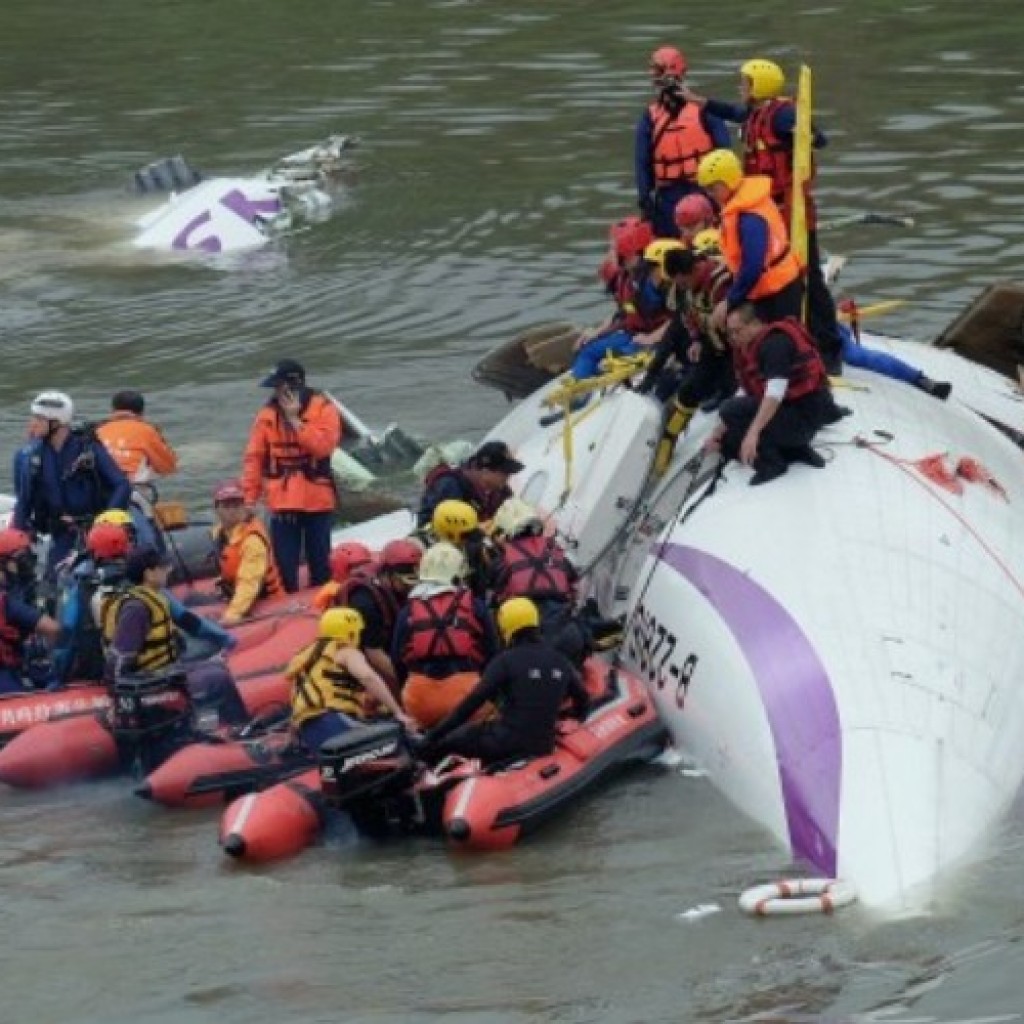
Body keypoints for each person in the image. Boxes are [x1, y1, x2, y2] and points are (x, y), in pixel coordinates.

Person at [683, 60, 843, 371]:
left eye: (746, 84)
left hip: (792, 211)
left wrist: (806, 133)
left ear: (760, 86)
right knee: (784, 276)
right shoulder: (757, 114)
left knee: (808, 276)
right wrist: (702, 103)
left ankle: (829, 346)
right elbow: (734, 113)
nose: (741, 89)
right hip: (772, 211)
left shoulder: (783, 115)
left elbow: (819, 139)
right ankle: (787, 335)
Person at [420, 597, 591, 766]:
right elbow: (583, 699)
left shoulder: (504, 661)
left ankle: (424, 771)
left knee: (453, 739)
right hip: (543, 745)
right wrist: (571, 719)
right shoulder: (560, 660)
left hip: (502, 744)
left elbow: (468, 707)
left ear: (505, 627)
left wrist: (432, 736)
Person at [105, 545, 247, 724]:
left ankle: (231, 728)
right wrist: (118, 701)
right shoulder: (137, 609)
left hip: (163, 673)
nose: (167, 571)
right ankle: (238, 727)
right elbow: (118, 660)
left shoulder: (154, 597)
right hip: (150, 683)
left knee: (217, 670)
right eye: (162, 567)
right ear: (149, 574)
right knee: (216, 678)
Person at [241, 359, 342, 592]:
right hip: (282, 502)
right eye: (274, 388)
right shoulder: (267, 415)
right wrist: (249, 499)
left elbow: (323, 447)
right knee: (285, 568)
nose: (276, 393)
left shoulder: (324, 409)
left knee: (321, 566)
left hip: (317, 499)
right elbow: (254, 458)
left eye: (280, 387)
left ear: (294, 386)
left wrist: (296, 421)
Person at [638, 236, 736, 475]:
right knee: (686, 395)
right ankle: (661, 459)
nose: (680, 287)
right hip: (711, 349)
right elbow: (687, 317)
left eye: (682, 282)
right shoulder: (685, 289)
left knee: (734, 400)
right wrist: (696, 340)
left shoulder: (720, 283)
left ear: (691, 271)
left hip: (737, 352)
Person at [708, 303, 831, 485]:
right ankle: (795, 450)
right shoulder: (752, 347)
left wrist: (753, 434)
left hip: (804, 419)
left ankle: (772, 462)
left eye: (737, 331)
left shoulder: (775, 345)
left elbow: (774, 394)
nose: (733, 338)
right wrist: (719, 430)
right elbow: (747, 389)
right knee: (729, 437)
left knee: (730, 410)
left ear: (753, 325)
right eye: (729, 334)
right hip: (792, 414)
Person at [12, 391, 131, 576]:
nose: (32, 423)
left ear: (56, 423)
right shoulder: (27, 457)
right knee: (53, 584)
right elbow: (23, 502)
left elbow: (121, 484)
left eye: (39, 418)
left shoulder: (88, 449)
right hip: (62, 533)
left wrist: (107, 521)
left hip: (95, 528)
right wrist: (14, 541)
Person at [695, 149, 805, 335]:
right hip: (768, 287)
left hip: (778, 290)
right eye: (706, 189)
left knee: (778, 345)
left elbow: (753, 265)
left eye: (712, 188)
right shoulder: (741, 205)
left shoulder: (749, 217)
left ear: (728, 183)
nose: (709, 194)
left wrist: (730, 300)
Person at [393, 542, 499, 729]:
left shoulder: (408, 610)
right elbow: (493, 653)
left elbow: (397, 658)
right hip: (467, 698)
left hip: (420, 701)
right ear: (459, 574)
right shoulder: (475, 606)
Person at [287, 607, 416, 752]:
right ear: (351, 633)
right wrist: (398, 712)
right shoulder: (347, 652)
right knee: (401, 743)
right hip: (334, 722)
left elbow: (297, 698)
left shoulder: (306, 658)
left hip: (309, 731)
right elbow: (368, 677)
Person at [636, 46, 731, 238]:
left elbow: (725, 153)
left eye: (656, 70)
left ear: (671, 70)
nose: (652, 75)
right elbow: (642, 162)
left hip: (703, 191)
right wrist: (645, 201)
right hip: (668, 195)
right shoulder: (650, 117)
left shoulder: (703, 110)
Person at [313, 538, 422, 691]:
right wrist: (407, 682)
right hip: (366, 650)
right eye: (405, 584)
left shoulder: (395, 583)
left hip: (388, 638)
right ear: (388, 573)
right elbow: (374, 653)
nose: (410, 589)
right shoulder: (366, 603)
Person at [489, 497, 588, 665]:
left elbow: (492, 597)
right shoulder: (557, 552)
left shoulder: (502, 561)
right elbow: (574, 586)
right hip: (567, 638)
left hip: (525, 640)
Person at [570, 218, 666, 382]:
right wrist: (597, 332)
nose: (610, 252)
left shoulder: (655, 278)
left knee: (619, 357)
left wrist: (653, 338)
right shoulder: (625, 276)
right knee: (587, 350)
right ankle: (578, 392)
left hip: (653, 339)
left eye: (613, 247)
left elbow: (679, 316)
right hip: (634, 334)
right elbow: (624, 312)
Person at [210, 479, 284, 626]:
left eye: (237, 504)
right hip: (232, 593)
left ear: (244, 506)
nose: (232, 510)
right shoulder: (221, 532)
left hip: (263, 600)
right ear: (217, 508)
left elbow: (249, 582)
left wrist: (232, 614)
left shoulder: (252, 540)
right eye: (226, 505)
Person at [0, 529, 60, 693]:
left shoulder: (21, 588)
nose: (27, 564)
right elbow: (53, 628)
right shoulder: (7, 601)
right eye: (22, 559)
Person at [417, 440, 523, 529]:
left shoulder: (501, 491)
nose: (509, 476)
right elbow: (431, 525)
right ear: (485, 471)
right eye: (505, 472)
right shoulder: (451, 486)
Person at [95, 390, 179, 485]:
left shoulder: (97, 430)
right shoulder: (147, 430)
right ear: (142, 412)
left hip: (97, 487)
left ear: (113, 410)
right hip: (129, 487)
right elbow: (169, 468)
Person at [311, 541, 375, 611]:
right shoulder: (332, 592)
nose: (361, 570)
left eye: (365, 565)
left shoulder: (375, 582)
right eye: (356, 567)